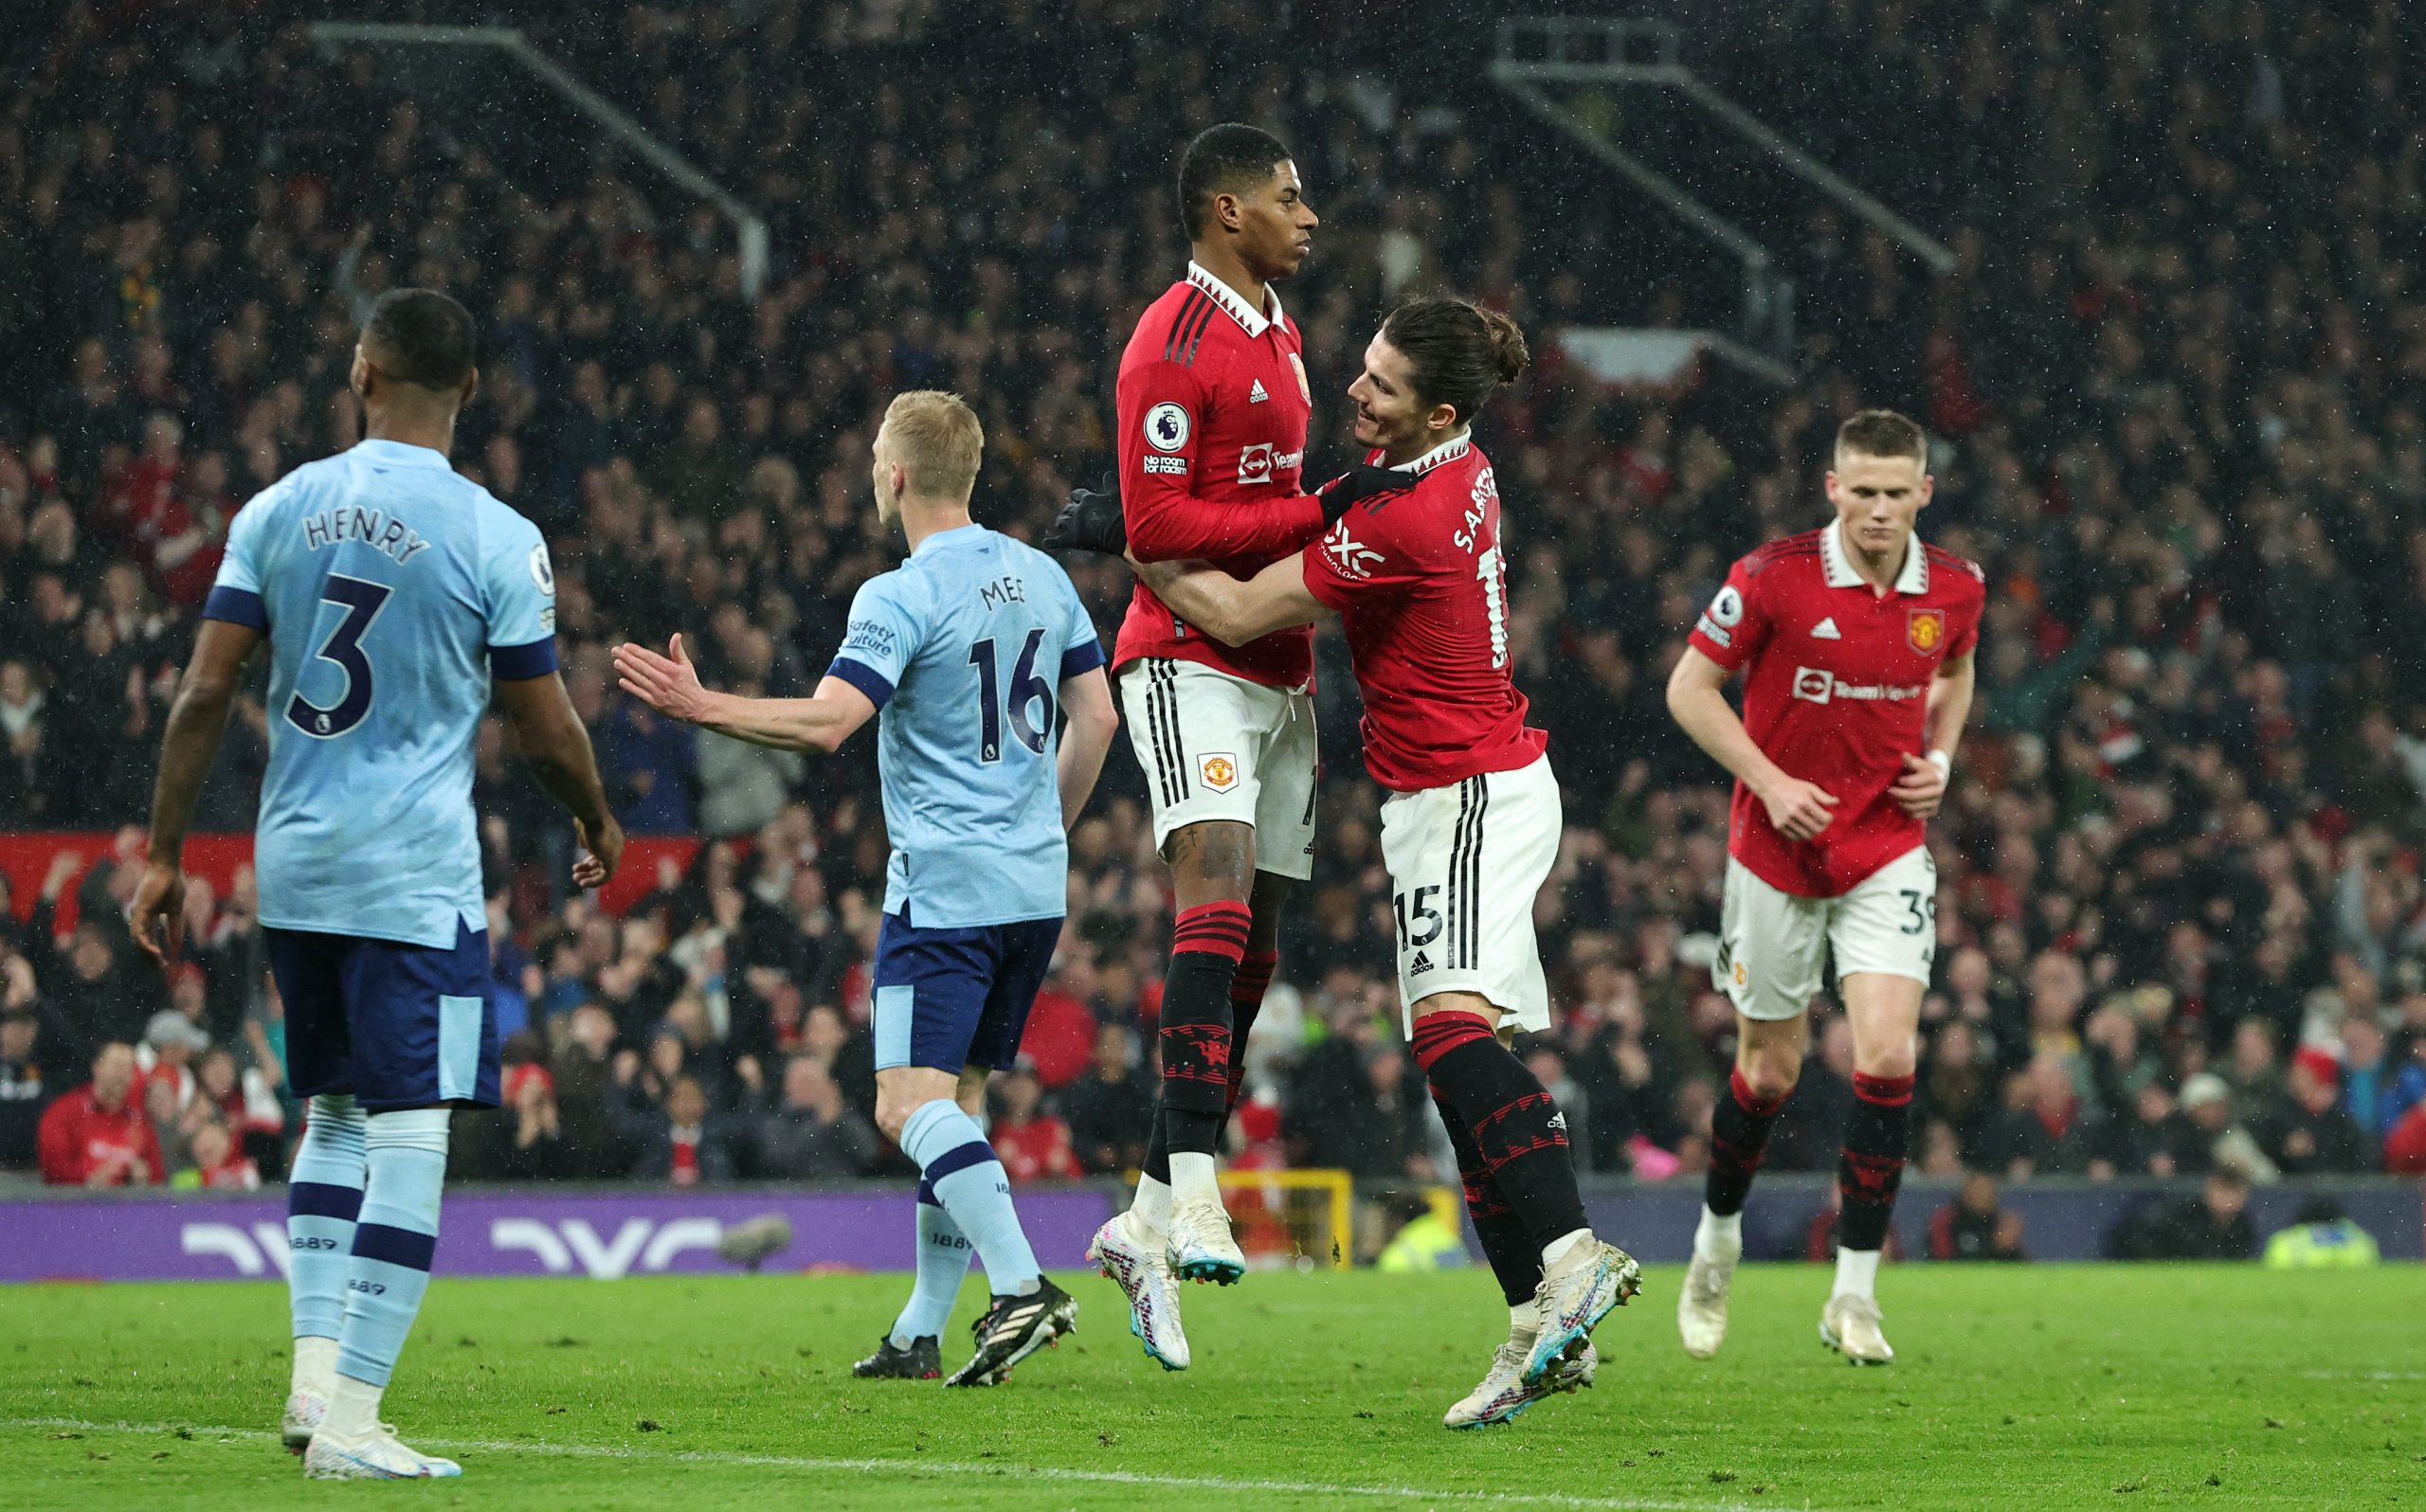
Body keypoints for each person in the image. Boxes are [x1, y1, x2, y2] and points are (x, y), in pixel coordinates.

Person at [1116, 297, 1640, 1430]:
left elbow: (1248, 605)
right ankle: (1530, 1326)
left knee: (1450, 1037)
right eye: (1360, 369)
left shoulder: (1404, 514)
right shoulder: (1461, 470)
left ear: (1437, 411)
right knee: (1464, 1069)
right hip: (1479, 788)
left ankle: (1573, 1256)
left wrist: (1139, 549)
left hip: (1461, 796)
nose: (1355, 392)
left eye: (1382, 386)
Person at [127, 288, 624, 1481]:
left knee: (333, 1113)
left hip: (294, 866)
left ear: (360, 373)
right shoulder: (496, 535)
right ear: (468, 392)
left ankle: (311, 1385)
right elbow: (545, 724)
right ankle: (351, 1418)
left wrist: (161, 853)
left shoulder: (278, 508)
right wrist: (595, 813)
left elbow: (201, 695)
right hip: (412, 877)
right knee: (409, 1128)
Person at [613, 390, 1118, 1389]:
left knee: (902, 1106)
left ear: (891, 477)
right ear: (966, 473)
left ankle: (1021, 1286)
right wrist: (1041, 831)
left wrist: (698, 703)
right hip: (1031, 886)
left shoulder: (898, 593)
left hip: (943, 890)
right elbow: (1095, 719)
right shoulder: (1044, 575)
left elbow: (828, 723)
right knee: (958, 1102)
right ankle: (922, 1329)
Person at [1045, 123, 1402, 1366]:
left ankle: (1144, 1214)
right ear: (1224, 210)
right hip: (1186, 647)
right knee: (1213, 873)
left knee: (1260, 931)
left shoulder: (1278, 332)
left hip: (1280, 665)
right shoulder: (1172, 338)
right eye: (1289, 199)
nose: (1310, 217)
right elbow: (1154, 523)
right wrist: (1322, 509)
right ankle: (1195, 1175)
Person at [1664, 407, 1985, 1366]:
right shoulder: (1775, 577)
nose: (1879, 509)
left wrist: (1941, 757)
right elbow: (1687, 688)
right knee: (1769, 1073)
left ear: (1923, 493)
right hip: (1775, 853)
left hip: (1885, 848)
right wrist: (1768, 781)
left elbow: (1956, 673)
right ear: (1832, 487)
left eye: (1898, 493)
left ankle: (1854, 1294)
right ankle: (1715, 1243)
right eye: (1864, 490)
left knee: (1886, 1056)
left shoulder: (1956, 588)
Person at [35, 1040, 164, 1186]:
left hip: (127, 1204)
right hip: (76, 1204)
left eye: (129, 1068)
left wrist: (144, 1177)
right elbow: (52, 1168)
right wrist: (87, 1179)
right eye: (117, 1065)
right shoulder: (65, 1112)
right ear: (96, 1067)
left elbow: (157, 1173)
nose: (123, 1074)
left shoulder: (138, 1119)